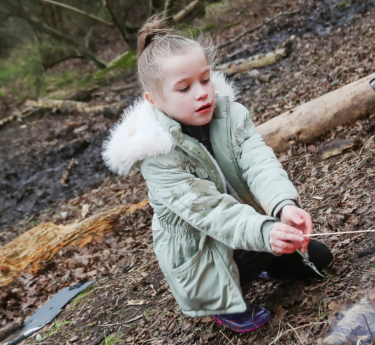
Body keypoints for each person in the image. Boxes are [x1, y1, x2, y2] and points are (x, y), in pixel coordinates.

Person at [102, 16, 333, 333]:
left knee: (320, 259)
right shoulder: (156, 157)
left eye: (206, 80)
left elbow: (258, 162)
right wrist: (265, 232)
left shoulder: (230, 115)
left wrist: (282, 206)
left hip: (244, 225)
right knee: (242, 262)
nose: (201, 93)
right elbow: (210, 212)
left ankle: (260, 263)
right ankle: (222, 302)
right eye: (184, 87)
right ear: (153, 100)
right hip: (203, 250)